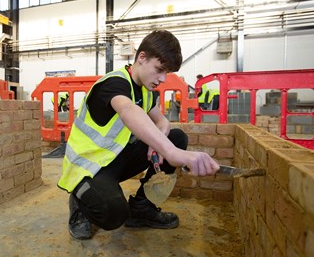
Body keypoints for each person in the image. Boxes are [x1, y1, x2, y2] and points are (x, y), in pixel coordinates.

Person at [58, 30, 219, 240]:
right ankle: (80, 200)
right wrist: (169, 152)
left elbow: (162, 120)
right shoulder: (113, 83)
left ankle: (142, 208)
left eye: (166, 73)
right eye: (159, 69)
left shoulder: (145, 90)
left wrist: (159, 142)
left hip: (114, 160)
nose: (162, 79)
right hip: (87, 167)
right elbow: (128, 110)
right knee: (114, 214)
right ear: (142, 57)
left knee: (176, 137)